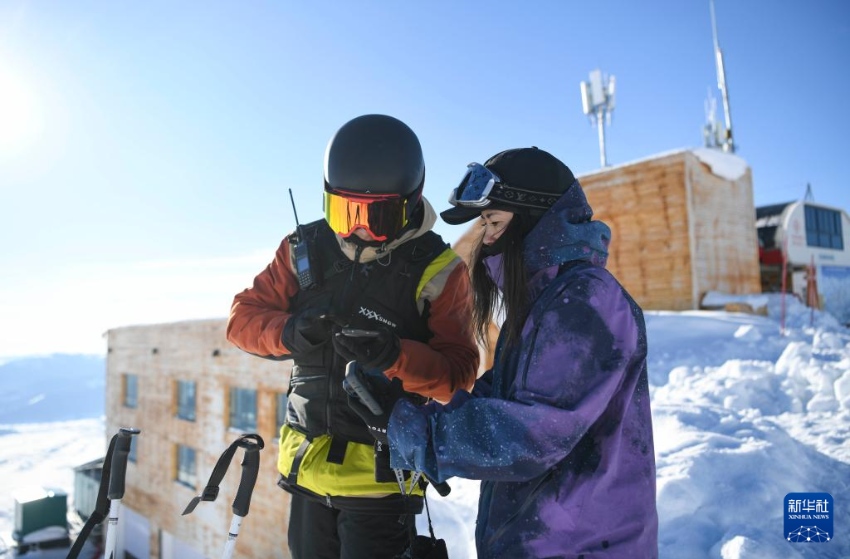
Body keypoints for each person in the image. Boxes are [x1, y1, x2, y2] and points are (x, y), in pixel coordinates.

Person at [347, 147, 659, 558]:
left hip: (582, 546)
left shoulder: (584, 300)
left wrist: (417, 433)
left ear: (534, 217)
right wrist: (403, 411)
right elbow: (495, 402)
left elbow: (532, 432)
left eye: (493, 221)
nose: (486, 238)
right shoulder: (541, 303)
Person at [225, 114, 479, 559]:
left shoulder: (439, 270)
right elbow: (242, 321)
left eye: (376, 217)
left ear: (408, 203)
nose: (358, 230)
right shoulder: (303, 249)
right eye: (345, 213)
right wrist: (288, 332)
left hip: (380, 485)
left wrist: (395, 355)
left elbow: (458, 374)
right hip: (305, 471)